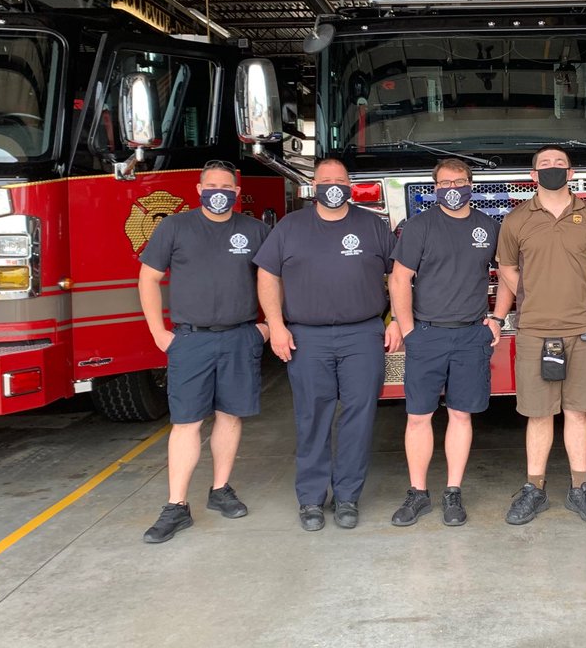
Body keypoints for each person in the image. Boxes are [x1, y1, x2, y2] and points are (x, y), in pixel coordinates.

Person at [254, 158, 401, 532]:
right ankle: (311, 499)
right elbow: (267, 275)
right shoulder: (290, 227)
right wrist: (276, 325)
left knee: (358, 418)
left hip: (363, 335)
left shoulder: (372, 224)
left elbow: (398, 275)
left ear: (350, 185)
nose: (333, 186)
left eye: (340, 180)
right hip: (307, 337)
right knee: (312, 417)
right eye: (325, 180)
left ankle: (348, 496)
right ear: (312, 186)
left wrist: (397, 320)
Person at [137, 159, 270, 544]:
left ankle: (220, 489)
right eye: (211, 186)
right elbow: (148, 277)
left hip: (239, 337)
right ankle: (176, 505)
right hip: (190, 340)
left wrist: (265, 327)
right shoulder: (174, 227)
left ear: (237, 193)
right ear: (198, 190)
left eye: (226, 187)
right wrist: (158, 333)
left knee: (230, 416)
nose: (219, 193)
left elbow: (277, 277)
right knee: (187, 422)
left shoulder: (255, 230)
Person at [492, 146, 586, 525]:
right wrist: (533, 293)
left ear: (571, 173)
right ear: (532, 176)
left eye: (558, 164)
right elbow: (507, 267)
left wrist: (577, 292)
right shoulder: (516, 220)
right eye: (544, 165)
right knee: (538, 413)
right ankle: (535, 489)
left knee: (578, 412)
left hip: (582, 329)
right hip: (534, 330)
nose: (552, 169)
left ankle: (580, 489)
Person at [388, 158, 501, 528]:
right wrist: (408, 330)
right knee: (418, 416)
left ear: (471, 184)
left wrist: (496, 319)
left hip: (471, 334)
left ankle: (453, 492)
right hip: (428, 334)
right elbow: (400, 279)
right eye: (445, 183)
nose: (453, 188)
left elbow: (512, 273)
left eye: (460, 181)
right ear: (435, 188)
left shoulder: (488, 227)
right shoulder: (419, 227)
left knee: (460, 414)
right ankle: (418, 493)